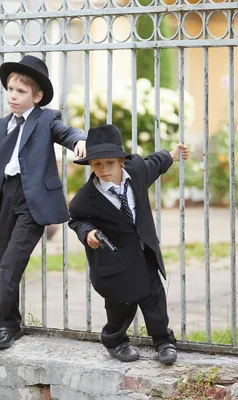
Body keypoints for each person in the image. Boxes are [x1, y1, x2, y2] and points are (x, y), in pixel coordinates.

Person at [0, 55, 87, 350]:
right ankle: (11, 324)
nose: (13, 96)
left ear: (37, 96)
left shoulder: (47, 120)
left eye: (20, 91)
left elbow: (67, 133)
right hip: (7, 196)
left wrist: (80, 141)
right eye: (10, 89)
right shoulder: (1, 125)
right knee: (1, 255)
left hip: (33, 200)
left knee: (13, 260)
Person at [68, 124, 189, 364]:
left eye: (109, 163)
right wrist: (88, 233)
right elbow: (77, 220)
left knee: (154, 297)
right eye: (96, 164)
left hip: (144, 252)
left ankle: (164, 341)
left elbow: (155, 163)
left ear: (122, 160)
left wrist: (172, 155)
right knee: (120, 304)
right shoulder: (85, 198)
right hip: (114, 261)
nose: (103, 170)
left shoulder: (137, 170)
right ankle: (115, 340)